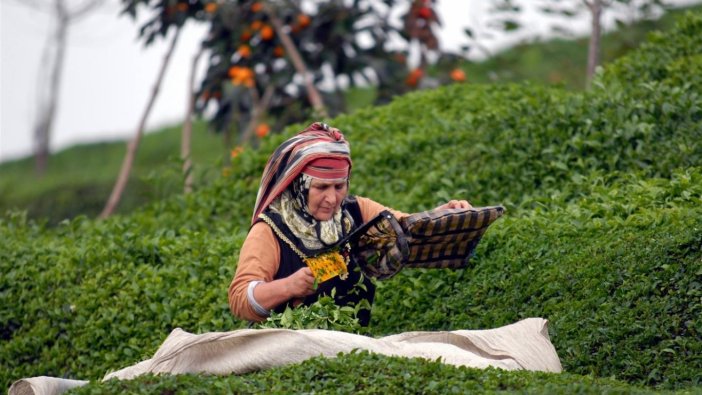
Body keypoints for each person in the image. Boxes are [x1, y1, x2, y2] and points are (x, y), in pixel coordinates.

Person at [228, 122, 470, 326]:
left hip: (352, 346)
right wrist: (288, 287)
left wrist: (443, 214)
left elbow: (405, 227)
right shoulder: (269, 230)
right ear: (298, 186)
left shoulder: (357, 211)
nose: (332, 198)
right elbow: (240, 299)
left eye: (339, 186)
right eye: (321, 187)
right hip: (289, 348)